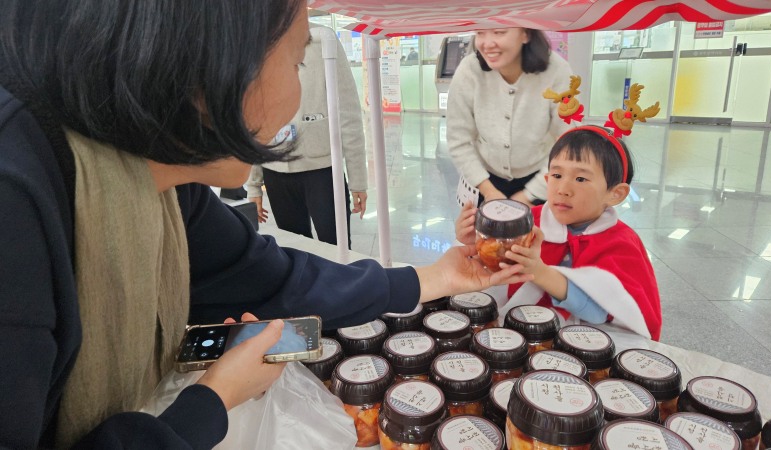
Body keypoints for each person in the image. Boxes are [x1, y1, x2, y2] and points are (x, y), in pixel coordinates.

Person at [0, 1, 528, 448]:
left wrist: (431, 279)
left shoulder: (163, 181)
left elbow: (271, 278)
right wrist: (213, 400)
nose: (297, 95)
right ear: (211, 62)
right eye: (296, 63)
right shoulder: (18, 203)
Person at [456, 126, 662, 341]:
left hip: (582, 343)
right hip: (516, 334)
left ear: (615, 193)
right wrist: (475, 244)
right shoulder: (527, 222)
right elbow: (493, 271)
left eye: (580, 179)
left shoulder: (621, 245)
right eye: (556, 175)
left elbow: (602, 312)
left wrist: (539, 272)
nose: (562, 189)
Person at [246, 23, 367, 248]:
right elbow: (253, 119)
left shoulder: (322, 38)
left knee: (336, 248)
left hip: (322, 170)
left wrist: (358, 180)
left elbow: (348, 112)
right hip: (275, 170)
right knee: (295, 250)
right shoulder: (256, 41)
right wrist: (254, 185)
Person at [447, 28, 575, 205]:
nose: (487, 44)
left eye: (499, 32)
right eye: (480, 33)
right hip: (484, 179)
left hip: (543, 177)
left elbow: (568, 141)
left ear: (526, 34)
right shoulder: (469, 70)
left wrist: (530, 195)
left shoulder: (557, 70)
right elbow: (458, 140)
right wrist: (489, 191)